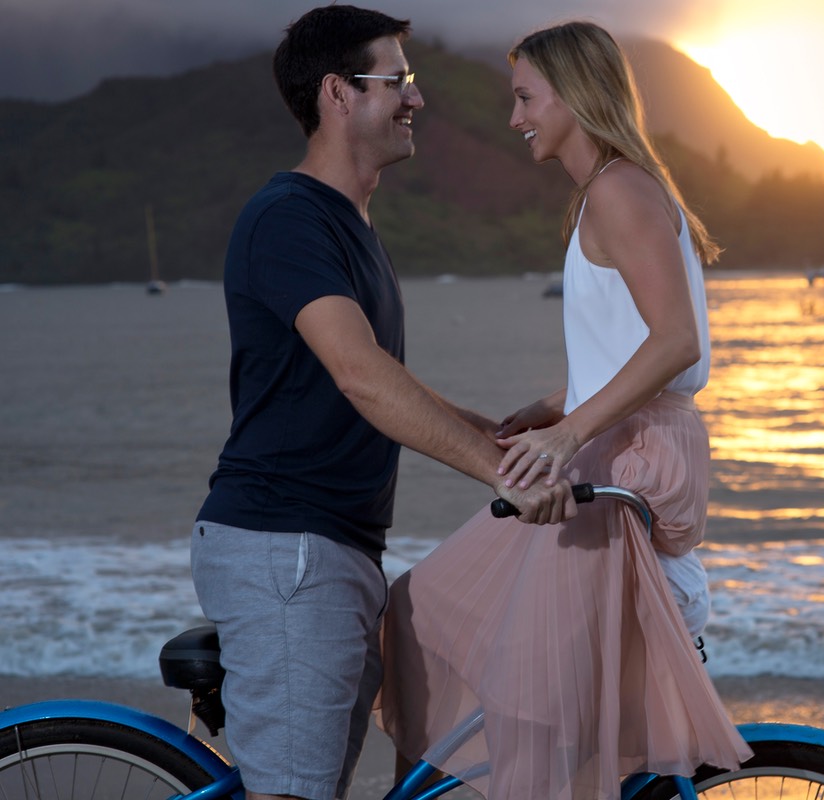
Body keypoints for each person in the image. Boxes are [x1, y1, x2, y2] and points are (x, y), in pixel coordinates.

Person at [190, 7, 574, 800]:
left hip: (335, 550)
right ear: (337, 94)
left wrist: (514, 441)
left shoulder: (352, 223)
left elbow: (393, 385)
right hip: (287, 551)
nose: (416, 98)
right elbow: (362, 376)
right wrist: (501, 475)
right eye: (396, 80)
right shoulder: (291, 217)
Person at [375, 20, 752, 800]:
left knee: (527, 688)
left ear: (574, 97)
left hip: (627, 452)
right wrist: (554, 404)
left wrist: (572, 428)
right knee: (454, 628)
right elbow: (632, 341)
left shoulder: (618, 189)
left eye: (525, 98)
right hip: (616, 439)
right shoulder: (612, 192)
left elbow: (677, 342)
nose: (515, 119)